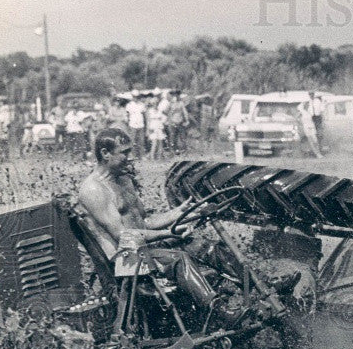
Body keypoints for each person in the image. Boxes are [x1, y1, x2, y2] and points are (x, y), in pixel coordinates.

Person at [78, 129, 246, 328]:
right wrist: (168, 232)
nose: (130, 157)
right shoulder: (93, 189)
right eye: (124, 152)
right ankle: (219, 311)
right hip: (125, 258)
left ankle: (254, 285)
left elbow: (145, 222)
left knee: (207, 247)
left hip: (143, 247)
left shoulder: (123, 180)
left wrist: (183, 213)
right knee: (178, 259)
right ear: (105, 153)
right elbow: (123, 235)